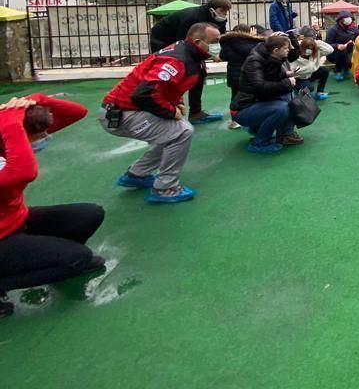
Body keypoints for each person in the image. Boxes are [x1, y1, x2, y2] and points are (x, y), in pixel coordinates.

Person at [0, 95, 105, 319]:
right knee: (78, 257)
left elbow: (77, 112)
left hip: (15, 223)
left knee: (90, 214)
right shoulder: (11, 141)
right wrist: (10, 121)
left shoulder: (10, 139)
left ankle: (58, 259)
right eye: (39, 136)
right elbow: (24, 172)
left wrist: (32, 100)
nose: (46, 138)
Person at [101, 22, 221, 203]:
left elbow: (170, 85)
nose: (218, 45)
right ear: (197, 42)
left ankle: (137, 174)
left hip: (126, 111)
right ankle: (165, 188)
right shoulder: (176, 59)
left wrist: (177, 102)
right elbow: (144, 94)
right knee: (182, 131)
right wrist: (171, 111)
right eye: (214, 41)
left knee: (174, 131)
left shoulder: (189, 53)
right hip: (121, 114)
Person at [149, 0, 232, 124]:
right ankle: (166, 110)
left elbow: (219, 38)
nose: (224, 14)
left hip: (187, 42)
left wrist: (221, 53)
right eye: (222, 11)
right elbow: (184, 43)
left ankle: (195, 112)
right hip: (163, 39)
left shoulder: (219, 19)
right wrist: (209, 56)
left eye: (226, 11)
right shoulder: (191, 18)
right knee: (172, 75)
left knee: (200, 73)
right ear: (212, 10)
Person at [231, 33, 302, 153]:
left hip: (255, 103)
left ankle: (283, 133)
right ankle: (259, 142)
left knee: (288, 98)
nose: (288, 50)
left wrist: (286, 74)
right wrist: (287, 83)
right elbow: (260, 86)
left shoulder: (270, 56)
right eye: (285, 48)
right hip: (243, 108)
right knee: (282, 108)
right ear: (276, 49)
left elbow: (276, 72)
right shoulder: (255, 60)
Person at [219, 23, 264, 130]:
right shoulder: (252, 43)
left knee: (235, 97)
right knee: (253, 97)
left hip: (233, 75)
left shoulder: (227, 43)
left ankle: (234, 121)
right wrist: (254, 38)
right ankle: (252, 118)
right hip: (249, 75)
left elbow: (223, 56)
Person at [325, 12, 359, 81]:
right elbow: (327, 44)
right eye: (345, 19)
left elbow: (358, 39)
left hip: (349, 51)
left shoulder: (354, 29)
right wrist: (337, 45)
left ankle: (346, 69)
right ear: (340, 20)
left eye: (349, 18)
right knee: (341, 51)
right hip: (334, 53)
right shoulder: (333, 30)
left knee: (351, 59)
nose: (348, 20)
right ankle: (337, 71)